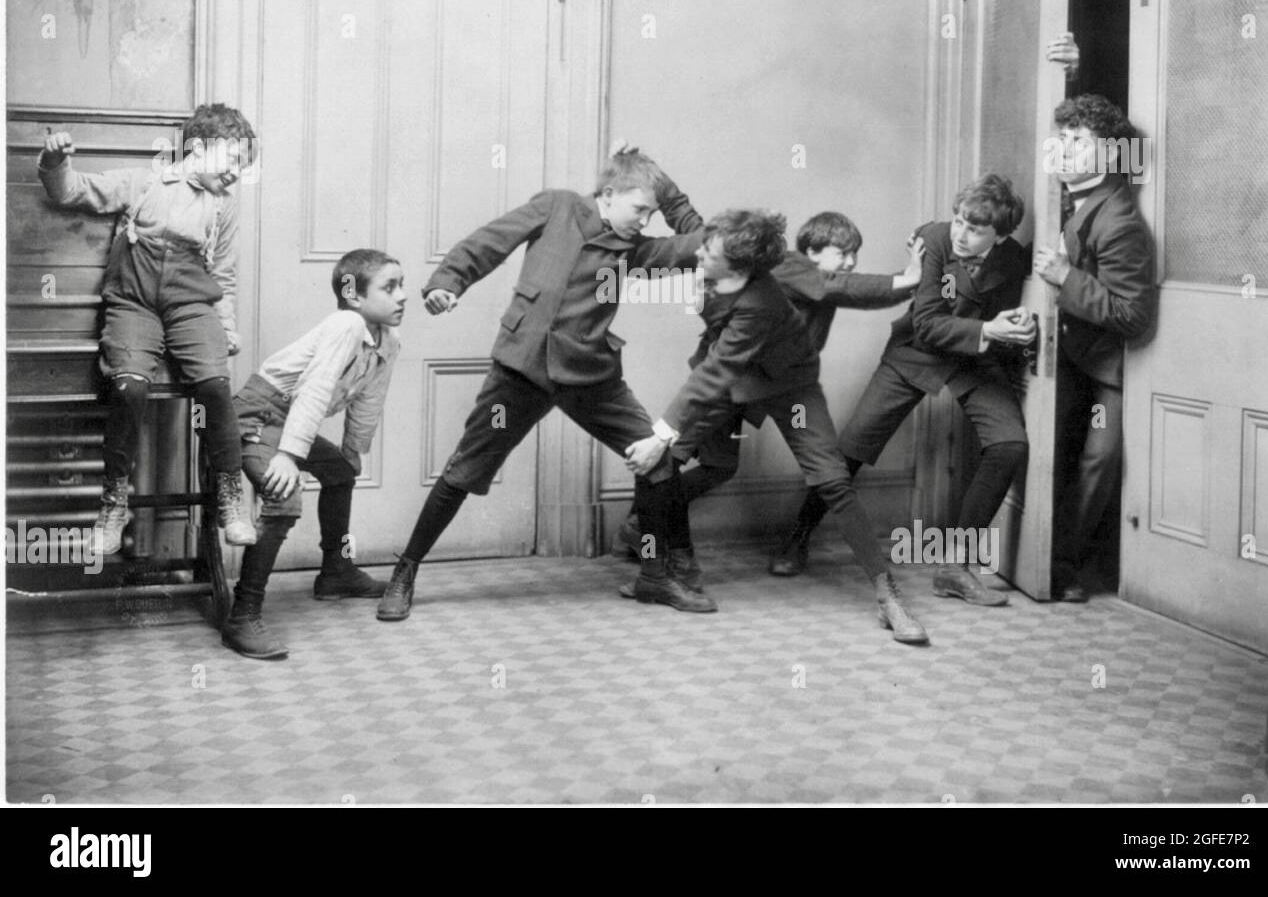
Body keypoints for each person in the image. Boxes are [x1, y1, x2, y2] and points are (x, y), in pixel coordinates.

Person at [376, 147, 707, 620]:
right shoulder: (559, 207)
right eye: (640, 209)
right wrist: (448, 281)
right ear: (608, 195)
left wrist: (666, 190)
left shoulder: (636, 251)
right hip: (523, 370)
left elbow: (701, 243)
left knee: (656, 460)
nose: (645, 220)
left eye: (653, 212)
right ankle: (405, 571)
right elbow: (491, 240)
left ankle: (654, 575)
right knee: (464, 470)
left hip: (591, 376)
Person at [624, 209, 930, 643]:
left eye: (853, 254)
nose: (849, 261)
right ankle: (661, 563)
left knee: (834, 483)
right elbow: (687, 225)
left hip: (789, 388)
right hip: (729, 383)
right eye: (842, 252)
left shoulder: (775, 277)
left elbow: (836, 287)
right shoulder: (745, 260)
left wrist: (907, 279)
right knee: (662, 466)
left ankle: (886, 595)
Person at [773, 175, 1036, 606]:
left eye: (974, 229)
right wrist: (989, 328)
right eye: (957, 221)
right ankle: (795, 538)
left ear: (1001, 234)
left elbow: (1010, 309)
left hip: (974, 359)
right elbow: (929, 322)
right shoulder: (932, 240)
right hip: (916, 352)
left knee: (1009, 444)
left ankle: (957, 566)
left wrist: (1022, 325)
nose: (960, 233)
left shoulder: (1012, 258)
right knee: (849, 451)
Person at [38, 107, 258, 556]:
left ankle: (231, 496)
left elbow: (226, 278)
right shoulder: (143, 183)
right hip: (133, 305)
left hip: (191, 306)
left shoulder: (222, 208)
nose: (237, 173)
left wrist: (227, 327)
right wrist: (55, 161)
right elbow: (72, 191)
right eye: (232, 160)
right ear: (197, 149)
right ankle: (113, 504)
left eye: (243, 166)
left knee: (215, 385)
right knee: (129, 388)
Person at [222, 249, 405, 658]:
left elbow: (369, 401)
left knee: (340, 473)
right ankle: (242, 615)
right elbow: (316, 389)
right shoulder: (346, 323)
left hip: (290, 420)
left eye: (401, 286)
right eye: (389, 288)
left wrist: (353, 450)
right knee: (282, 494)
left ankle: (336, 572)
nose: (402, 296)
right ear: (354, 296)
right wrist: (288, 455)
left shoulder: (389, 341)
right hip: (259, 415)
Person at [1036, 81, 1155, 602]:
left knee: (1097, 462)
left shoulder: (1120, 218)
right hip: (1070, 354)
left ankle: (1063, 567)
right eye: (1061, 138)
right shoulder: (1068, 195)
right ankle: (1045, 562)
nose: (1063, 149)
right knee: (1052, 450)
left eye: (1078, 140)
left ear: (1109, 152)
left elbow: (1132, 314)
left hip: (1106, 366)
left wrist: (1066, 278)